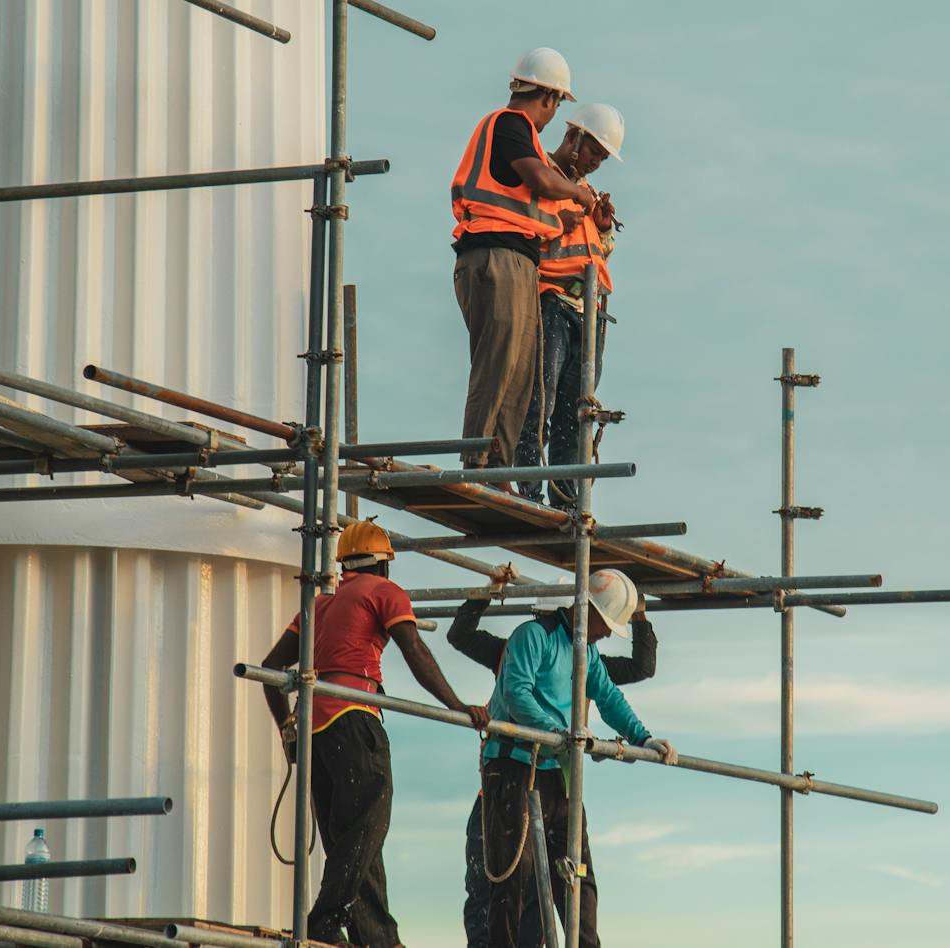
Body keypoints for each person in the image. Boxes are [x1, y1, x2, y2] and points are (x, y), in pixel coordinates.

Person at [260, 519, 492, 947]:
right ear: (383, 566)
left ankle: (377, 938)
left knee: (351, 839)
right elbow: (415, 650)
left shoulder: (318, 605)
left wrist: (288, 729)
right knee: (368, 825)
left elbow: (271, 671)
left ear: (345, 563)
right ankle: (324, 923)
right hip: (354, 716)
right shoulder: (383, 592)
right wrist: (456, 705)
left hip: (314, 729)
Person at [479, 569, 676, 948]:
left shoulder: (587, 651)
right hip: (514, 767)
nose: (606, 634)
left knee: (577, 878)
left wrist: (643, 738)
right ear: (589, 610)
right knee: (511, 877)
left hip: (558, 772)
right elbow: (517, 693)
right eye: (607, 625)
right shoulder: (533, 637)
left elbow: (608, 697)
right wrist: (560, 733)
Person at [452, 48, 597, 474]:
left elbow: (529, 202)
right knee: (497, 366)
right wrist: (577, 193)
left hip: (513, 260)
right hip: (494, 257)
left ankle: (499, 466)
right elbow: (538, 179)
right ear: (550, 97)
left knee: (519, 376)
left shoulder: (521, 138)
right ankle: (476, 463)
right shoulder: (510, 124)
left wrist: (570, 215)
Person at [514, 103, 626, 507]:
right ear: (573, 137)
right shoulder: (542, 174)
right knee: (539, 399)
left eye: (602, 156)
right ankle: (528, 489)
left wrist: (604, 227)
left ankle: (565, 498)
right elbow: (531, 230)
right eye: (594, 150)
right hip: (552, 301)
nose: (596, 162)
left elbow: (598, 251)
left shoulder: (586, 192)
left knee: (574, 413)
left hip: (589, 311)